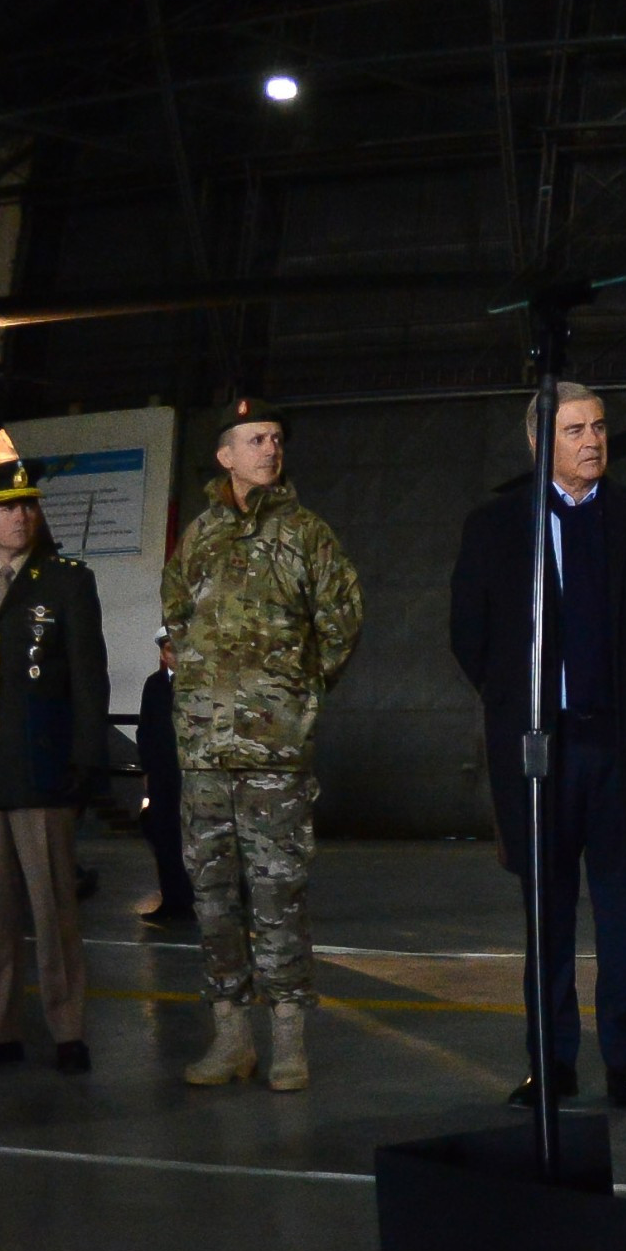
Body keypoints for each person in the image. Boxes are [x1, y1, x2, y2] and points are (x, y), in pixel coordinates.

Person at [450, 379, 626, 1112]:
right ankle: (551, 1064)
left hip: (620, 750)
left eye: (599, 427)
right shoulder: (495, 527)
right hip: (538, 755)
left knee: (623, 916)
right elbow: (470, 636)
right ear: (538, 443)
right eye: (575, 430)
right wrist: (519, 706)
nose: (592, 441)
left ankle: (625, 1064)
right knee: (546, 916)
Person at [165, 397, 364, 1092]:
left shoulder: (307, 534)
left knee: (279, 897)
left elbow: (342, 620)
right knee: (212, 900)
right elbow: (176, 615)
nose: (271, 449)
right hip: (204, 755)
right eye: (256, 439)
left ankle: (287, 1042)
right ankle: (230, 1039)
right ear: (226, 455)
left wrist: (296, 693)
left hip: (274, 755)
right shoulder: (198, 537)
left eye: (276, 438)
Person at [0, 449, 108, 1075]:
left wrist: (86, 758)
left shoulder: (67, 580)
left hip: (41, 765)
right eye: (7, 508)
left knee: (53, 907)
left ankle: (67, 1029)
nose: (20, 516)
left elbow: (88, 678)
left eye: (28, 506)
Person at [138, 629, 196, 926]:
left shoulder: (199, 683)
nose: (173, 655)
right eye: (169, 649)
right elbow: (145, 730)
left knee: (195, 837)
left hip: (193, 773)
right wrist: (147, 770)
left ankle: (197, 899)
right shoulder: (154, 684)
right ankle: (172, 900)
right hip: (163, 774)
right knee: (164, 837)